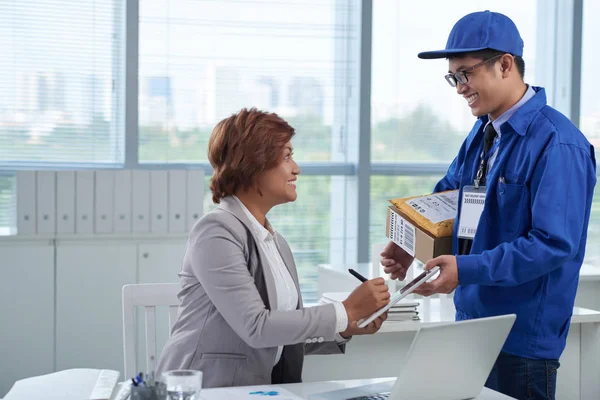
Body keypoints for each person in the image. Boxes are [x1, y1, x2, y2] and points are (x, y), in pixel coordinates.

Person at [381, 10, 596, 400]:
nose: (459, 87)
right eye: (453, 77)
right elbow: (449, 196)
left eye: (466, 74)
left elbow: (552, 244)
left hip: (521, 342)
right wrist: (410, 240)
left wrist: (465, 268)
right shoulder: (483, 132)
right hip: (472, 328)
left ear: (505, 65)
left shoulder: (559, 144)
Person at [156, 108, 390, 388]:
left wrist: (345, 326)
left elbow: (279, 339)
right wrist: (345, 310)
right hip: (203, 390)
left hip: (255, 391)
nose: (296, 168)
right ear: (254, 164)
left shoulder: (275, 243)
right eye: (287, 156)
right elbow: (257, 327)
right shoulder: (216, 232)